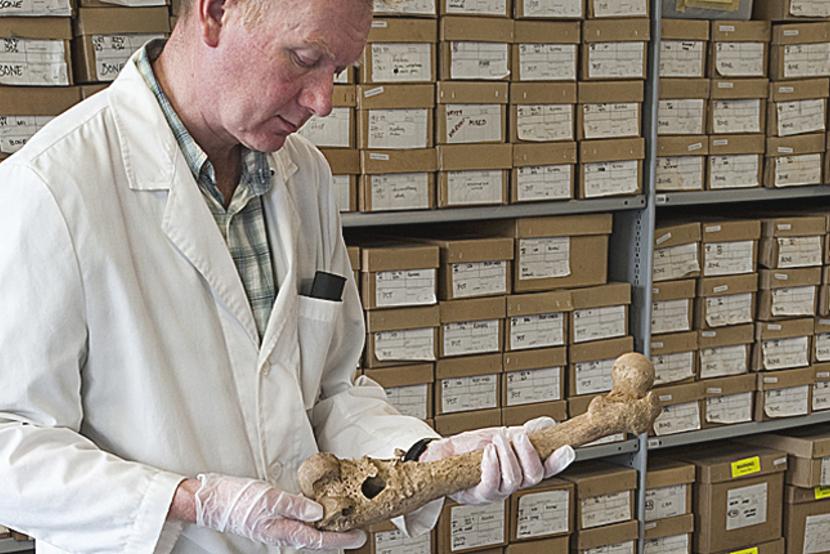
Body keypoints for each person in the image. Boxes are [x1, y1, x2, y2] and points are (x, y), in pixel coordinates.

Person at [0, 0, 575, 552]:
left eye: (340, 70)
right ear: (217, 11)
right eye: (304, 59)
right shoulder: (54, 186)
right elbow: (9, 442)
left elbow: (330, 393)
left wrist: (431, 461)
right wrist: (187, 501)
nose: (323, 101)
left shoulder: (304, 175)